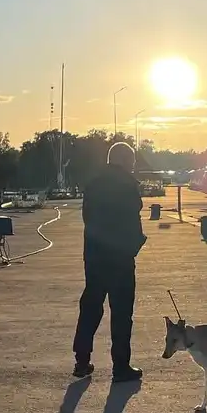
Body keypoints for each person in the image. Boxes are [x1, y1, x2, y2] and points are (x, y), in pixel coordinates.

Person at [72, 142, 146, 383]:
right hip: (120, 258)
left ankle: (82, 361)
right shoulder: (128, 185)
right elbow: (133, 223)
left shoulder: (93, 184)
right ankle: (120, 367)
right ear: (125, 161)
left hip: (94, 256)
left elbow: (87, 218)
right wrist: (135, 246)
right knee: (122, 313)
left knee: (91, 307)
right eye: (132, 162)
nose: (134, 166)